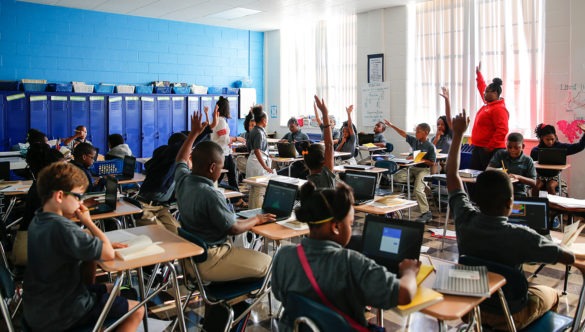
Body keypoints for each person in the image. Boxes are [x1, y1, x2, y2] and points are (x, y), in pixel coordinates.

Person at [446, 109, 575, 330]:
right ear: (509, 204)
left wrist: (458, 135)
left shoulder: (464, 217)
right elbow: (567, 257)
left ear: (476, 197)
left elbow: (451, 175)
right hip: (509, 315)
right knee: (552, 294)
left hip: (470, 308)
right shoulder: (521, 236)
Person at [271, 181, 419, 330]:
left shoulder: (284, 256)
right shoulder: (351, 263)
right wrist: (409, 271)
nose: (351, 229)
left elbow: (280, 295)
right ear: (336, 227)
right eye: (350, 224)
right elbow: (404, 294)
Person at [23, 162, 144, 331]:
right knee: (137, 309)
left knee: (114, 289)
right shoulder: (64, 229)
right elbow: (108, 254)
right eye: (78, 197)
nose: (81, 204)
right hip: (63, 313)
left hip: (38, 307)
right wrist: (88, 221)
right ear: (59, 196)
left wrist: (97, 244)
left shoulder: (38, 220)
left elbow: (71, 243)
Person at [174, 110, 274, 282]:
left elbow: (180, 160)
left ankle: (230, 303)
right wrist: (257, 219)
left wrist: (193, 134)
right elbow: (234, 228)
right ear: (212, 168)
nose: (222, 171)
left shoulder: (183, 181)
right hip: (213, 259)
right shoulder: (210, 194)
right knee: (270, 264)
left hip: (191, 258)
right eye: (220, 167)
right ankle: (236, 300)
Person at [12, 143, 64, 267]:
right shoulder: (45, 192)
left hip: (30, 243)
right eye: (62, 167)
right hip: (32, 249)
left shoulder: (40, 185)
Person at [384, 120, 436, 222]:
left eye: (418, 131)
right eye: (415, 131)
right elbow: (403, 133)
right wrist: (392, 125)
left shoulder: (430, 146)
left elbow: (432, 163)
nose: (416, 133)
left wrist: (422, 159)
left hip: (424, 170)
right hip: (413, 168)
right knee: (396, 176)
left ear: (426, 132)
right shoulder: (415, 141)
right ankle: (420, 182)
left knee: (417, 190)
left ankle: (426, 213)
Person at [470, 62, 509, 171]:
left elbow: (502, 130)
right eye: (485, 92)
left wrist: (490, 146)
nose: (484, 94)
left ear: (496, 94)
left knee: (487, 177)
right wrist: (479, 75)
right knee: (474, 175)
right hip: (479, 147)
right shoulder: (490, 105)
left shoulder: (499, 109)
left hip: (490, 149)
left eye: (487, 92)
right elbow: (481, 87)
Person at [530, 122, 585, 196]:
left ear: (555, 137)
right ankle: (535, 206)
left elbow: (579, 147)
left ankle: (554, 207)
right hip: (540, 176)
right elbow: (532, 165)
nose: (550, 142)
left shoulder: (561, 147)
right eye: (547, 139)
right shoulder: (535, 150)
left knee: (550, 186)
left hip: (554, 177)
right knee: (536, 187)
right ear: (542, 138)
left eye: (552, 139)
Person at [209, 96, 245, 190]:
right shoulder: (220, 121)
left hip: (223, 152)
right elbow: (224, 139)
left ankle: (236, 198)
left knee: (228, 176)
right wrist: (236, 138)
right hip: (222, 153)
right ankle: (235, 197)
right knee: (224, 177)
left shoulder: (217, 120)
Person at [486, 133, 536, 198]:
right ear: (506, 145)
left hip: (518, 193)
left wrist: (518, 177)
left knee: (519, 208)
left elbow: (533, 182)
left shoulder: (528, 160)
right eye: (509, 147)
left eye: (516, 148)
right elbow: (488, 170)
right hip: (500, 191)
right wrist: (500, 171)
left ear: (523, 146)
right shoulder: (500, 154)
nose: (512, 150)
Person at [305, 95, 337, 189]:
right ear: (324, 161)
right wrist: (325, 113)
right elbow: (329, 145)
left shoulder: (309, 183)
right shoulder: (326, 178)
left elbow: (328, 145)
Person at [246, 105, 273, 208]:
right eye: (267, 120)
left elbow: (250, 148)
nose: (267, 122)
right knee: (259, 191)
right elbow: (257, 150)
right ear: (263, 120)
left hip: (253, 161)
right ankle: (257, 215)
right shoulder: (259, 132)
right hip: (258, 164)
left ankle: (251, 214)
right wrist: (265, 167)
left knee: (254, 191)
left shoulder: (253, 131)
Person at [432, 87, 453, 154]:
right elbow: (429, 153)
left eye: (442, 124)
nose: (439, 126)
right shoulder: (433, 138)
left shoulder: (450, 135)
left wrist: (447, 100)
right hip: (437, 163)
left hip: (448, 162)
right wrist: (436, 139)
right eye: (438, 124)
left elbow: (448, 117)